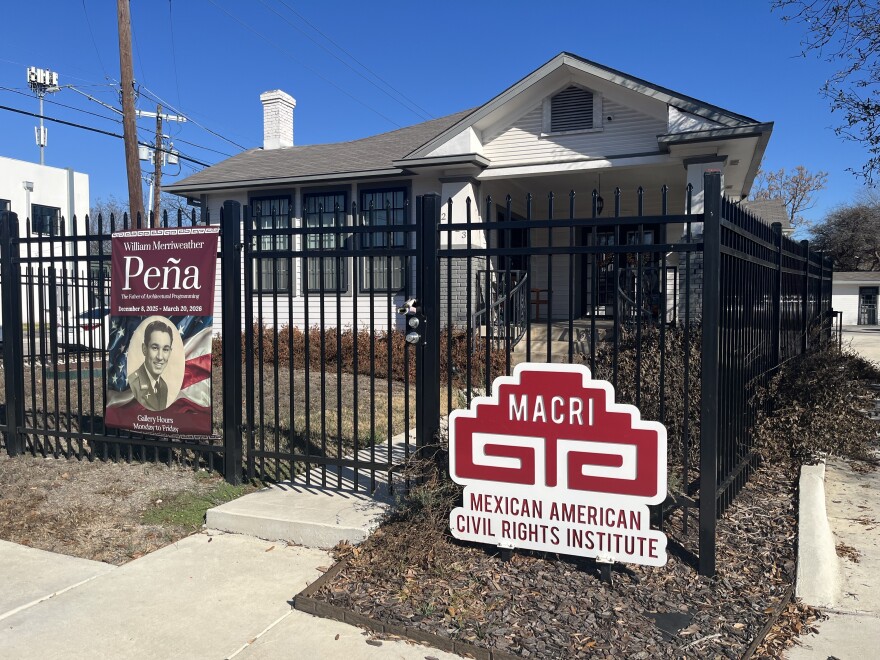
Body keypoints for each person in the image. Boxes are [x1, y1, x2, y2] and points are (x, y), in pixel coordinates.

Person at [129, 320, 174, 411]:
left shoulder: (163, 386)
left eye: (165, 349)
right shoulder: (132, 384)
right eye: (155, 348)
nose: (160, 357)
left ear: (170, 352)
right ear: (144, 349)